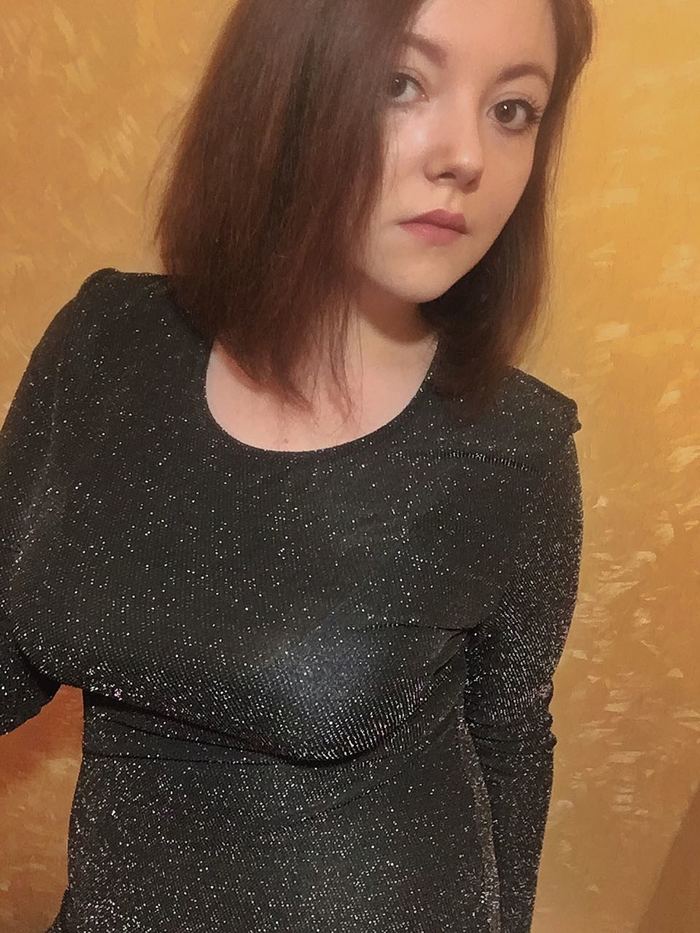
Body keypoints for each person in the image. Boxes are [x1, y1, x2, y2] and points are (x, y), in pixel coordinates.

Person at [0, 0, 596, 929]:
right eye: (402, 83)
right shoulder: (105, 341)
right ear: (282, 83)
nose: (467, 156)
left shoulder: (512, 445)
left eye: (512, 109)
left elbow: (511, 739)